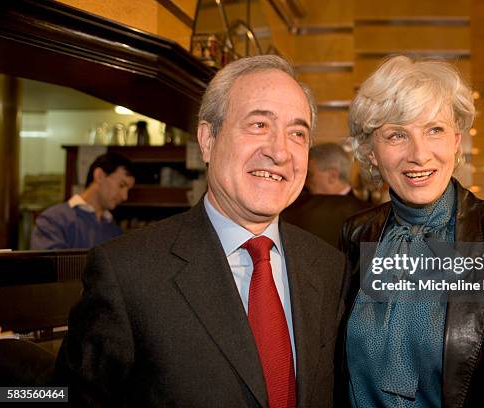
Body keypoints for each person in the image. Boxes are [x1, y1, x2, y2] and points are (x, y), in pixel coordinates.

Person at [55, 55, 345, 407]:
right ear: (207, 139)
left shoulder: (329, 268)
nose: (280, 151)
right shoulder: (128, 272)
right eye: (258, 125)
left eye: (297, 133)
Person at [338, 56, 484, 407]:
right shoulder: (358, 234)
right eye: (397, 135)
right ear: (371, 153)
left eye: (435, 130)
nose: (419, 154)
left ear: (456, 142)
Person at [30, 153, 135, 249]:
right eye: (121, 185)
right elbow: (51, 266)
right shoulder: (53, 220)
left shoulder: (114, 231)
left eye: (128, 190)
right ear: (99, 175)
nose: (124, 196)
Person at [282, 143, 369, 247]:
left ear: (332, 176)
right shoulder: (368, 211)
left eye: (309, 175)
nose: (304, 182)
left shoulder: (368, 216)